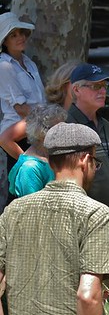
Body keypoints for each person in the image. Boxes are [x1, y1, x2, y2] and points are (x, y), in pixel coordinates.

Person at [0, 122, 109, 315]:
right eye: (95, 162)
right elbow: (88, 295)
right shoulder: (95, 213)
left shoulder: (13, 210)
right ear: (85, 160)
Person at [66, 63, 109, 290]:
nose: (102, 91)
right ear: (76, 90)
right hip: (87, 227)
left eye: (104, 86)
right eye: (95, 86)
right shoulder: (68, 127)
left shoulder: (105, 124)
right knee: (88, 292)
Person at [0, 12, 45, 210]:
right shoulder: (4, 66)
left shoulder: (29, 62)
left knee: (33, 185)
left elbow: (39, 100)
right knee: (21, 188)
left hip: (35, 128)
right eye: (14, 34)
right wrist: (48, 124)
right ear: (5, 41)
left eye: (22, 33)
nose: (21, 37)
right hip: (17, 132)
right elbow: (20, 108)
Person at [8, 104, 67, 197]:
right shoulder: (30, 168)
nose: (64, 132)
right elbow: (31, 208)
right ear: (41, 132)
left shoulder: (51, 154)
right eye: (57, 129)